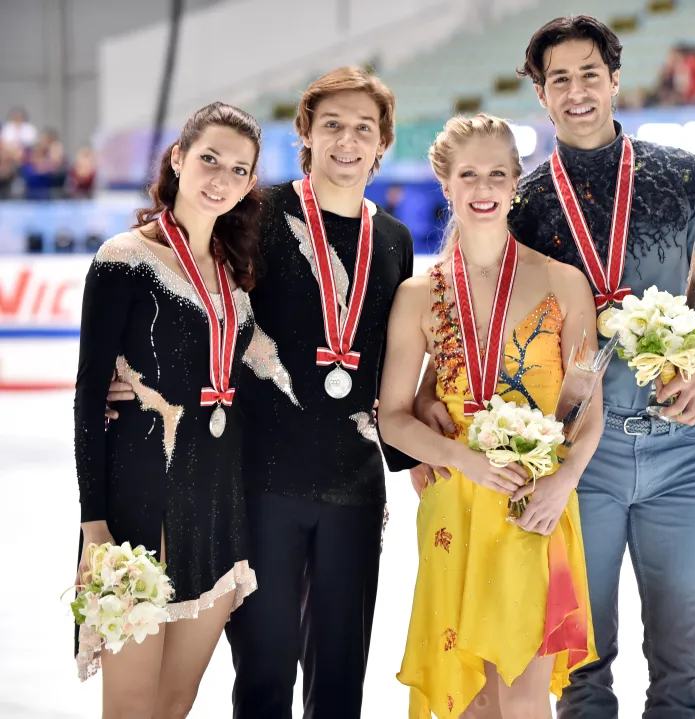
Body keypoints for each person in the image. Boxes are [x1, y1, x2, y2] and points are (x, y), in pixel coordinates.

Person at [411, 16, 695, 718]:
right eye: (558, 78)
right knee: (579, 667)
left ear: (615, 78)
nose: (577, 90)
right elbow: (472, 310)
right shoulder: (523, 202)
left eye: (589, 73)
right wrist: (426, 399)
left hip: (677, 450)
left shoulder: (681, 175)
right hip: (571, 458)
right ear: (540, 94)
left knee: (684, 667)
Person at [105, 67, 418, 717]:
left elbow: (391, 363)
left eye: (364, 128)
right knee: (263, 682)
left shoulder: (393, 240)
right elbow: (190, 294)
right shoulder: (258, 214)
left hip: (353, 489)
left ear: (383, 142)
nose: (347, 141)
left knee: (338, 683)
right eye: (331, 124)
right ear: (304, 132)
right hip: (258, 484)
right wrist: (126, 362)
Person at [381, 113, 602, 718]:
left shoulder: (563, 282)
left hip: (538, 501)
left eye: (498, 175)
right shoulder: (417, 293)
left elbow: (587, 408)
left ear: (515, 185)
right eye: (469, 175)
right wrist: (458, 459)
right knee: (470, 698)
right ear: (446, 183)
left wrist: (563, 482)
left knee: (523, 696)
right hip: (456, 498)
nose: (484, 189)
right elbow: (394, 417)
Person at [74, 102, 262, 716]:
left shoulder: (236, 271)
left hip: (217, 509)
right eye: (209, 159)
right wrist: (94, 528)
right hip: (138, 512)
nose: (220, 179)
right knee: (130, 707)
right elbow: (87, 397)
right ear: (178, 158)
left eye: (238, 169)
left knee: (175, 703)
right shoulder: (123, 259)